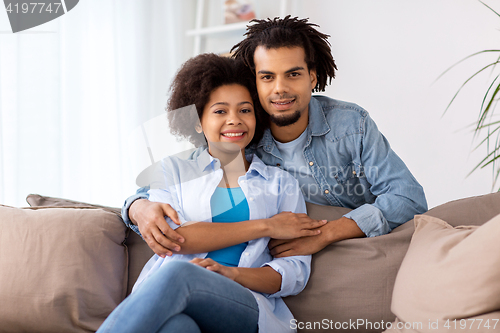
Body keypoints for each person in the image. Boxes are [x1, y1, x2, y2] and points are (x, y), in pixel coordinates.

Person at [122, 16, 427, 259]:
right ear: (254, 83)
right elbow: (173, 178)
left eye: (292, 74)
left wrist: (329, 233)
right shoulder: (243, 131)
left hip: (356, 249)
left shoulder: (350, 124)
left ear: (313, 77)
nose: (279, 88)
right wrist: (139, 207)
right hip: (278, 261)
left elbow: (408, 197)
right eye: (267, 77)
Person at [99, 54, 324, 333]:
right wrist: (267, 226)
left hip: (244, 304)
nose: (235, 120)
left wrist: (232, 274)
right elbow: (176, 239)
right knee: (178, 328)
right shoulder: (172, 170)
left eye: (245, 110)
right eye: (220, 111)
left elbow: (293, 273)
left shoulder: (281, 184)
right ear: (197, 121)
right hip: (176, 300)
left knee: (179, 272)